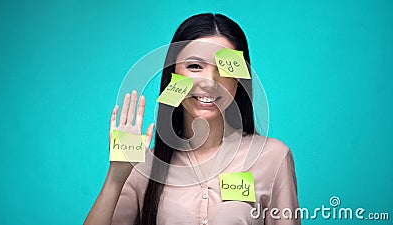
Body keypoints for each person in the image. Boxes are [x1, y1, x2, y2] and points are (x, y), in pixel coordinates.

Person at [84, 13, 300, 225]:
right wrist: (116, 176)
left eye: (225, 68)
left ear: (239, 81)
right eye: (194, 66)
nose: (209, 81)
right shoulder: (145, 165)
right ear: (172, 77)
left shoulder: (273, 157)